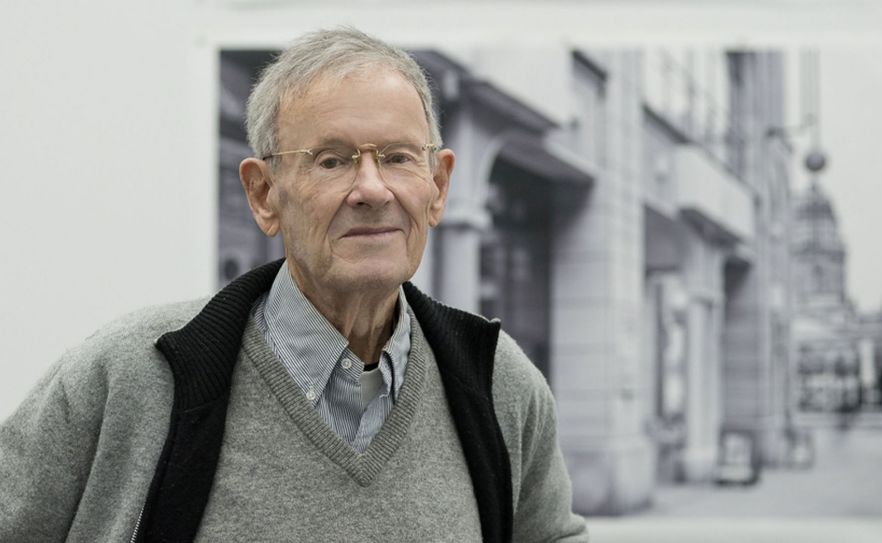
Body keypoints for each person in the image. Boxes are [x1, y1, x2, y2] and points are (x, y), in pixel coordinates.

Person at [0, 28, 587, 542]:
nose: (373, 189)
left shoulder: (498, 382)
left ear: (437, 185)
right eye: (331, 161)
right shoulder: (129, 376)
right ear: (262, 194)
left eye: (399, 157)